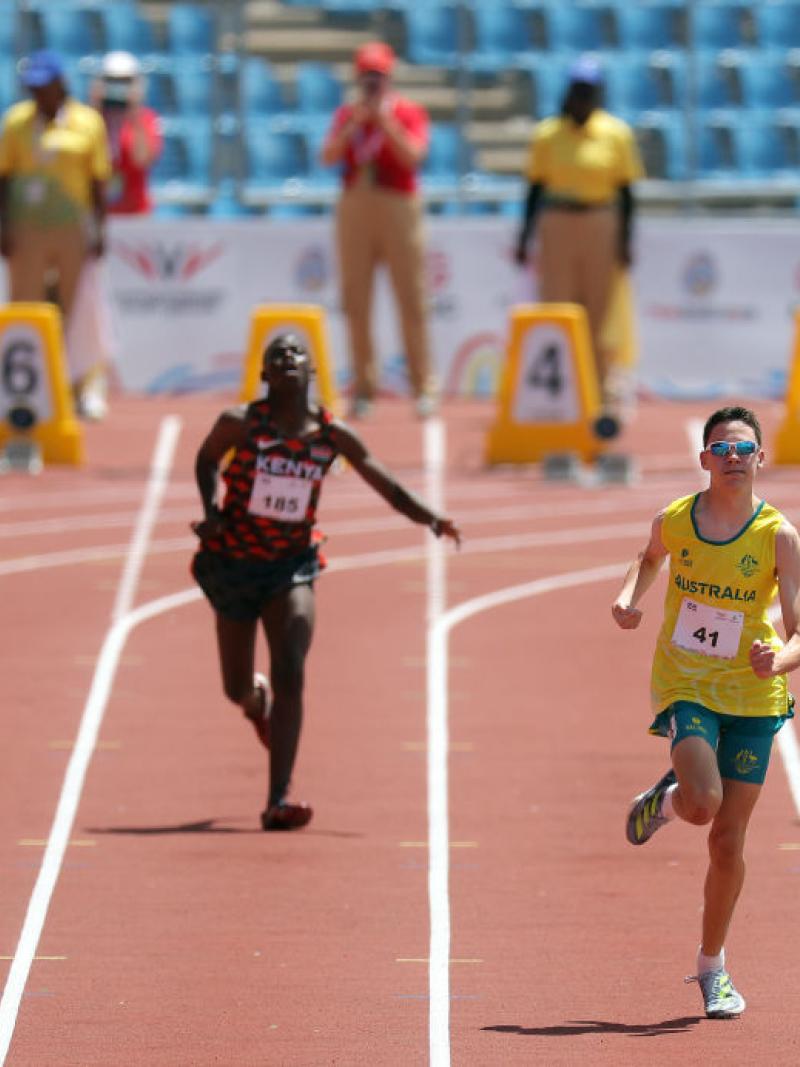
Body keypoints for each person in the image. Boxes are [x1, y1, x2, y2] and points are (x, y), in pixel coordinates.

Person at [190, 333, 461, 831]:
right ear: (265, 376)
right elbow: (206, 461)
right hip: (234, 562)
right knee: (235, 687)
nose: (287, 358)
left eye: (297, 354)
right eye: (277, 355)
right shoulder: (241, 423)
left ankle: (278, 798)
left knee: (292, 662)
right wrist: (210, 513)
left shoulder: (330, 436)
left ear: (311, 372)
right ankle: (256, 702)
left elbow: (387, 485)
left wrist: (433, 519)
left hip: (291, 565)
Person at [612, 406, 800, 1019]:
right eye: (721, 449)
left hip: (752, 693)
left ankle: (712, 967)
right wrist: (626, 599)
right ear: (704, 460)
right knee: (705, 799)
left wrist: (783, 659)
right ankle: (675, 800)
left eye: (744, 449)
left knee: (725, 840)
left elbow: (798, 629)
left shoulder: (779, 535)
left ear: (760, 459)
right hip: (686, 681)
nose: (734, 459)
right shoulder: (677, 520)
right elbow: (647, 559)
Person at [515, 56, 644, 428]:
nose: (581, 97)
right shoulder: (547, 134)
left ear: (598, 93)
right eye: (577, 90)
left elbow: (627, 193)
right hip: (558, 221)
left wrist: (625, 241)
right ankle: (561, 393)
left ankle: (601, 393)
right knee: (558, 306)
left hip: (601, 221)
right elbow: (534, 190)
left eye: (588, 90)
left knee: (599, 313)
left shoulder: (615, 133)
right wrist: (525, 238)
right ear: (567, 92)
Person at [320, 41, 436, 421]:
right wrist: (355, 123)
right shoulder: (347, 115)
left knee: (411, 299)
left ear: (388, 78)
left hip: (397, 202)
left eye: (378, 76)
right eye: (366, 76)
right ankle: (364, 386)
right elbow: (328, 158)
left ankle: (423, 386)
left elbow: (414, 157)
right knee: (356, 301)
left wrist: (386, 123)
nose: (372, 84)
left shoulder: (408, 112)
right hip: (356, 201)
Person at [0, 49, 110, 419]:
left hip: (71, 229)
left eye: (44, 86)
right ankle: (24, 388)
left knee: (78, 307)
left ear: (61, 84)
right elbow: (4, 178)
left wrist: (100, 229)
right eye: (32, 87)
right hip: (26, 227)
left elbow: (98, 180)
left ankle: (85, 388)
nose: (37, 94)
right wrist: (3, 227)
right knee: (25, 305)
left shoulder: (87, 123)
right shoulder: (16, 122)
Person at [90, 51, 162, 216]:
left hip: (135, 214)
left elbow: (142, 159)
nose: (117, 88)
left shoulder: (147, 119)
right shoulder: (89, 119)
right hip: (98, 213)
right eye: (112, 81)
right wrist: (96, 106)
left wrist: (135, 112)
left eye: (124, 82)